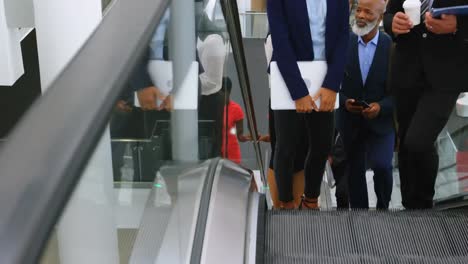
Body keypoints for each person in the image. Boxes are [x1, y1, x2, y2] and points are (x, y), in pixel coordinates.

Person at [384, 0, 468, 209]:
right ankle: (409, 205)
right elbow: (389, 14)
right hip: (406, 73)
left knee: (418, 141)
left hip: (446, 76)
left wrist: (458, 26)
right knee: (406, 141)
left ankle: (423, 203)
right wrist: (392, 23)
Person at [267, 0, 349, 209]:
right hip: (289, 79)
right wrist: (298, 92)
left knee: (323, 144)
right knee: (285, 146)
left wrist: (332, 84)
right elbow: (280, 40)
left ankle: (311, 200)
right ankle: (285, 203)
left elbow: (342, 37)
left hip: (325, 79)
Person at [337, 0, 395, 209]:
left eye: (368, 12)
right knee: (354, 170)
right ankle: (360, 216)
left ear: (380, 18)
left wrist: (381, 107)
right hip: (349, 121)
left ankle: (383, 207)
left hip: (381, 122)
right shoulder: (344, 42)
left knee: (382, 166)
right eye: (359, 10)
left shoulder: (391, 47)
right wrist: (344, 102)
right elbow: (331, 82)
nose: (361, 15)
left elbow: (399, 92)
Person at [220, 77, 251, 164]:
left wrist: (251, 137)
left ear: (229, 92)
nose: (221, 95)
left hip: (232, 154)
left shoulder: (236, 109)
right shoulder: (214, 108)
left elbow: (240, 136)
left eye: (223, 92)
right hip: (215, 153)